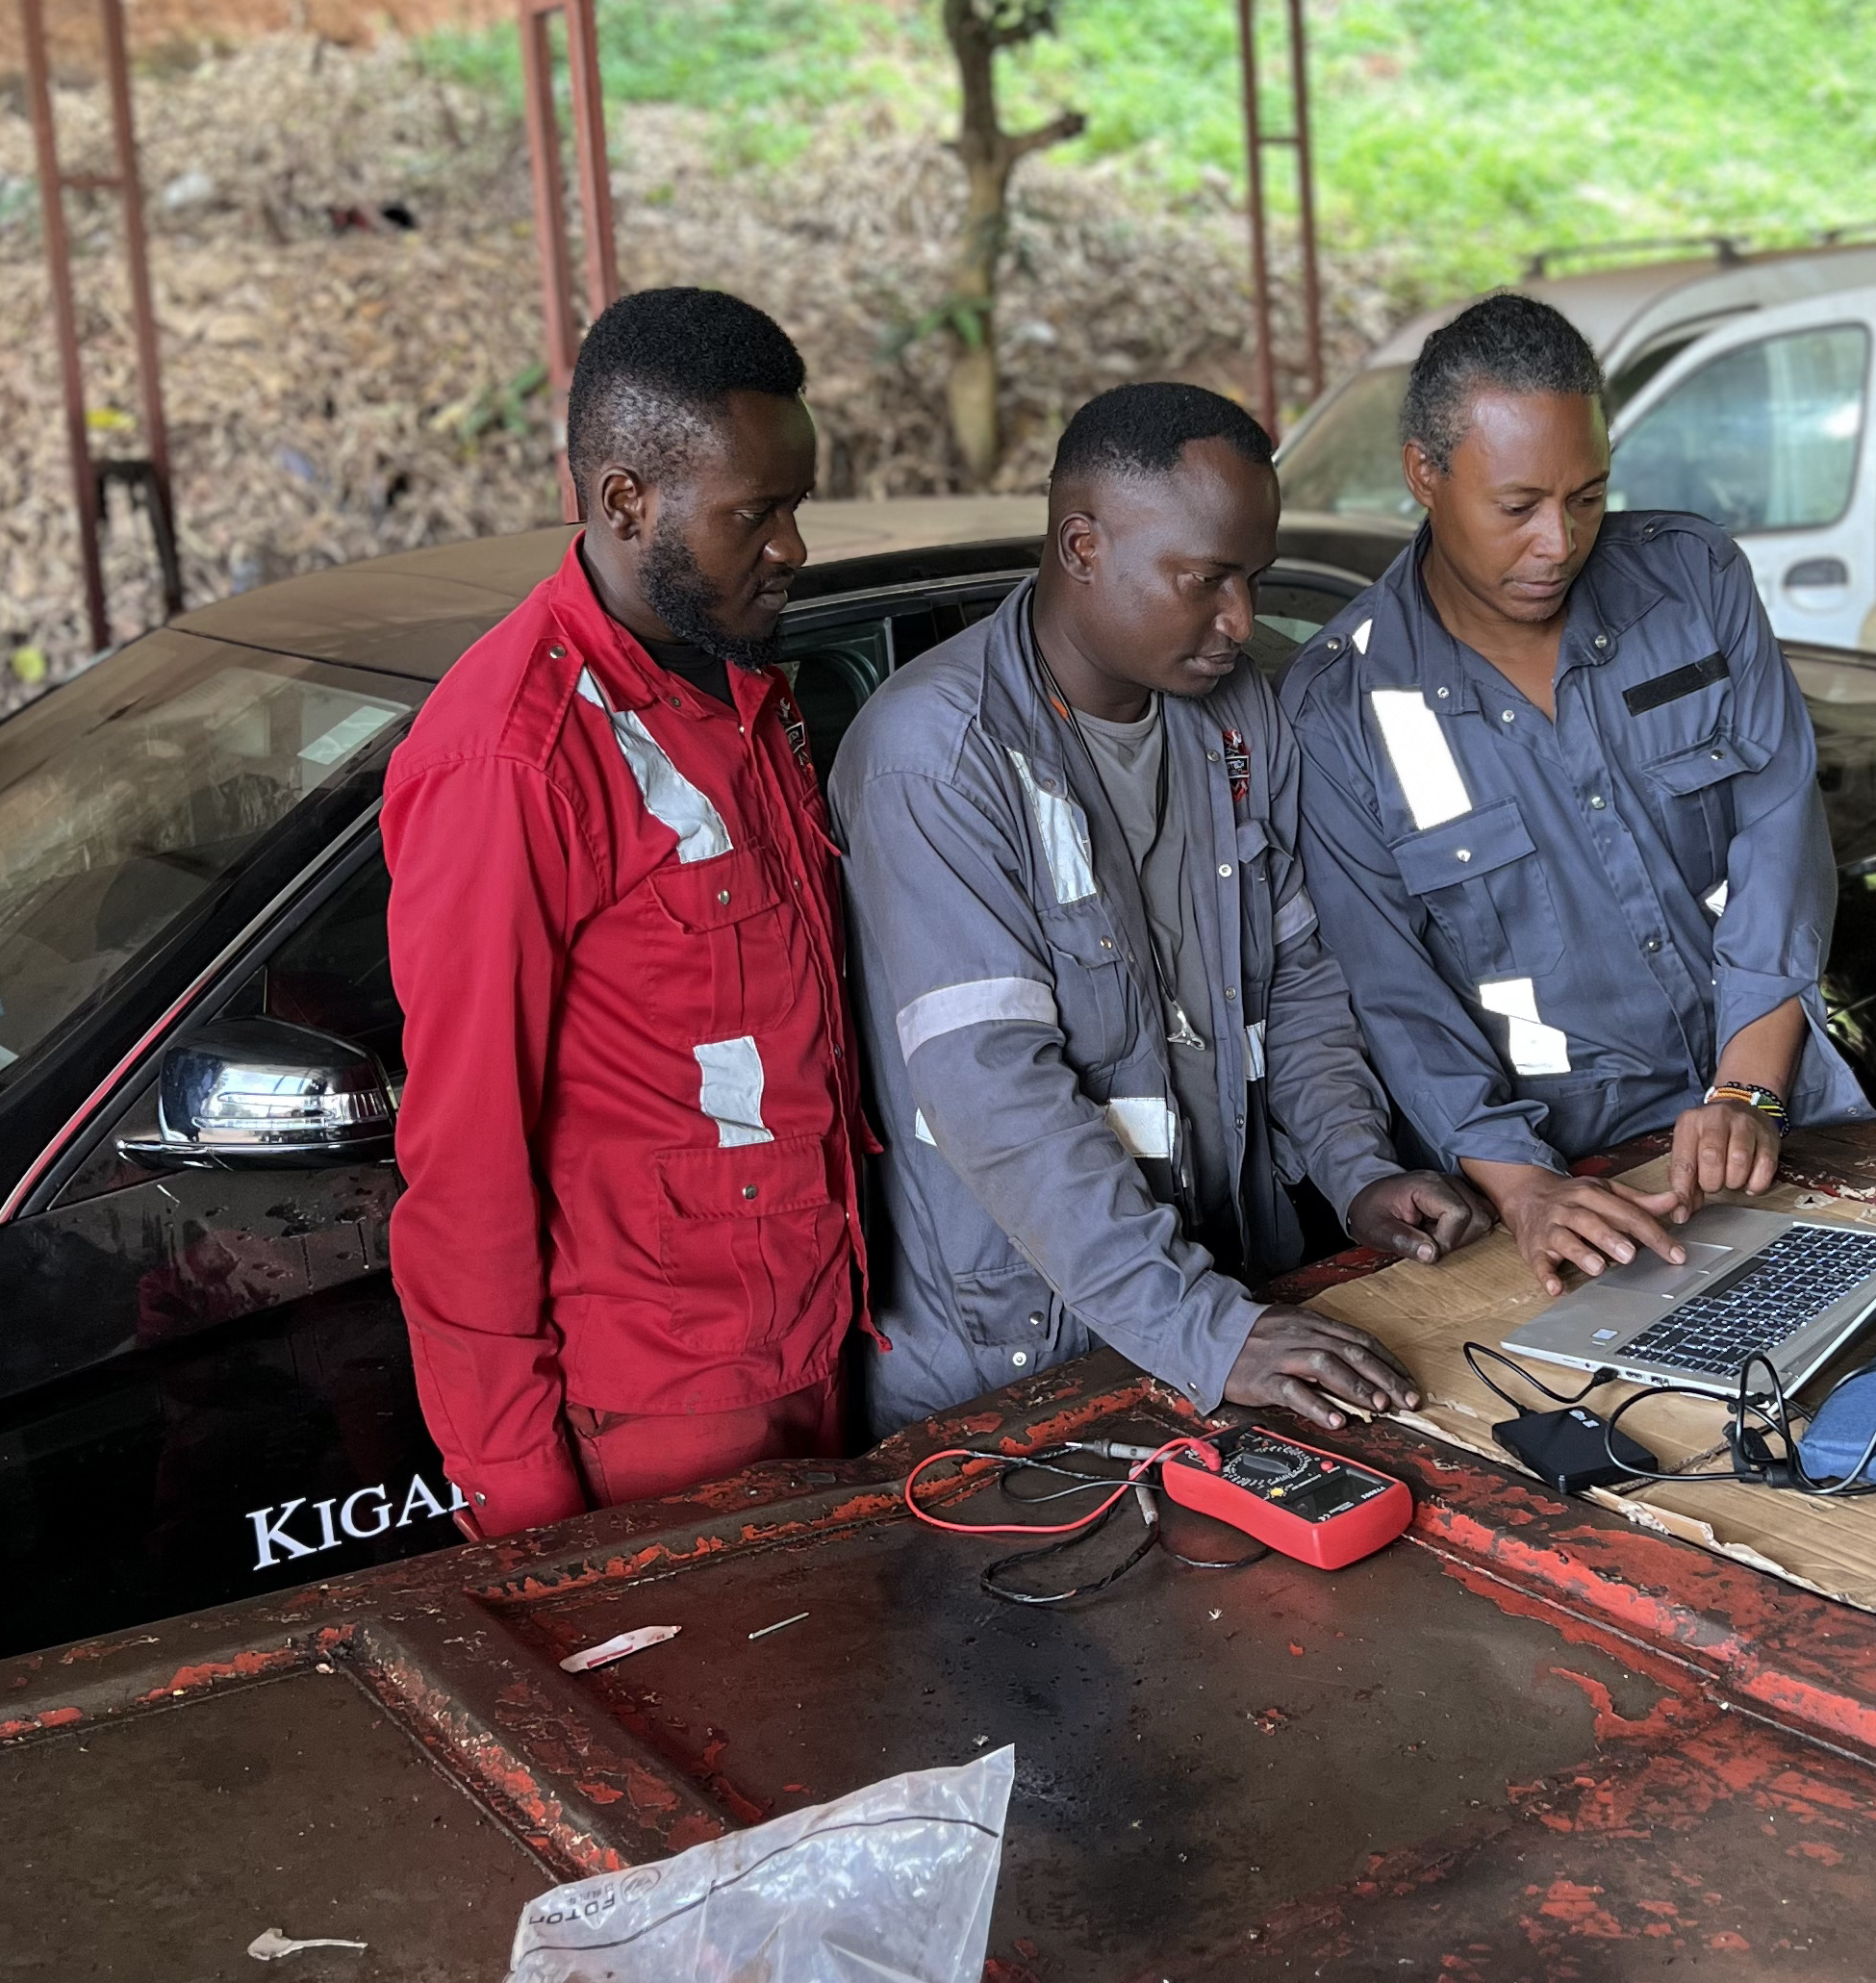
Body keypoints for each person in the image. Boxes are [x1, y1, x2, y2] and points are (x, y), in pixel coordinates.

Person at [832, 381, 1484, 1437]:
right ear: (1082, 546)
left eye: (1255, 580)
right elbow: (996, 1093)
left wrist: (1355, 1168)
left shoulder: (1236, 719)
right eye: (1206, 580)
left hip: (1232, 1307)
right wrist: (1202, 1329)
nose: (1241, 620)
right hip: (1022, 1366)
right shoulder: (937, 757)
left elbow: (1300, 983)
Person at [382, 288, 860, 1539]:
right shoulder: (514, 762)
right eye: (756, 513)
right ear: (625, 502)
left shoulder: (740, 681)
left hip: (808, 1342)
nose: (793, 548)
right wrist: (529, 1514)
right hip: (657, 1416)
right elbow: (463, 1166)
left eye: (797, 506)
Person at [1280, 290, 1867, 1297]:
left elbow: (1778, 833)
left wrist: (1748, 1089)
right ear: (1424, 474)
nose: (1559, 541)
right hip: (1569, 1186)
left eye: (1588, 497)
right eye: (1517, 507)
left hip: (1776, 1114)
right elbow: (1394, 996)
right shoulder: (1340, 708)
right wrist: (1524, 1191)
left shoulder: (1692, 583)